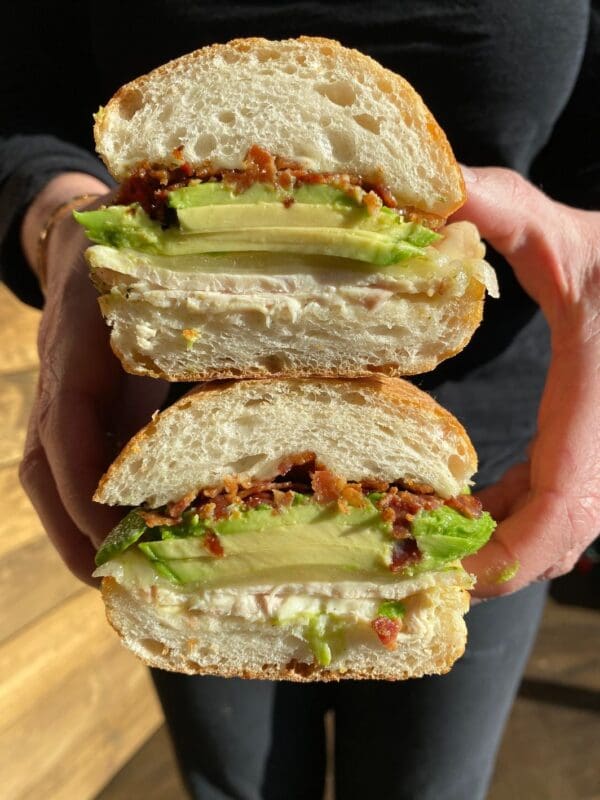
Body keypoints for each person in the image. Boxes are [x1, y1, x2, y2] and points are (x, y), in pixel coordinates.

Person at [2, 3, 599, 798]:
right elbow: (19, 101)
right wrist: (59, 223)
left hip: (509, 452)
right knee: (234, 784)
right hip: (171, 427)